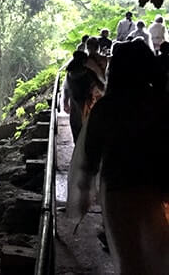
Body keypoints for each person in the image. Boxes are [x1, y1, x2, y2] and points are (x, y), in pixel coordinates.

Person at [69, 40, 169, 273]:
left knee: (129, 257)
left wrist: (83, 194)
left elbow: (90, 156)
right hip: (157, 188)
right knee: (162, 251)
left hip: (118, 191)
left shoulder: (106, 108)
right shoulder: (162, 103)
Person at [62, 50, 104, 142]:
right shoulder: (88, 72)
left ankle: (77, 146)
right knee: (86, 127)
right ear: (84, 61)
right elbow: (101, 87)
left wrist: (65, 102)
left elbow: (66, 88)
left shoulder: (69, 73)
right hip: (87, 104)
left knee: (76, 126)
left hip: (74, 103)